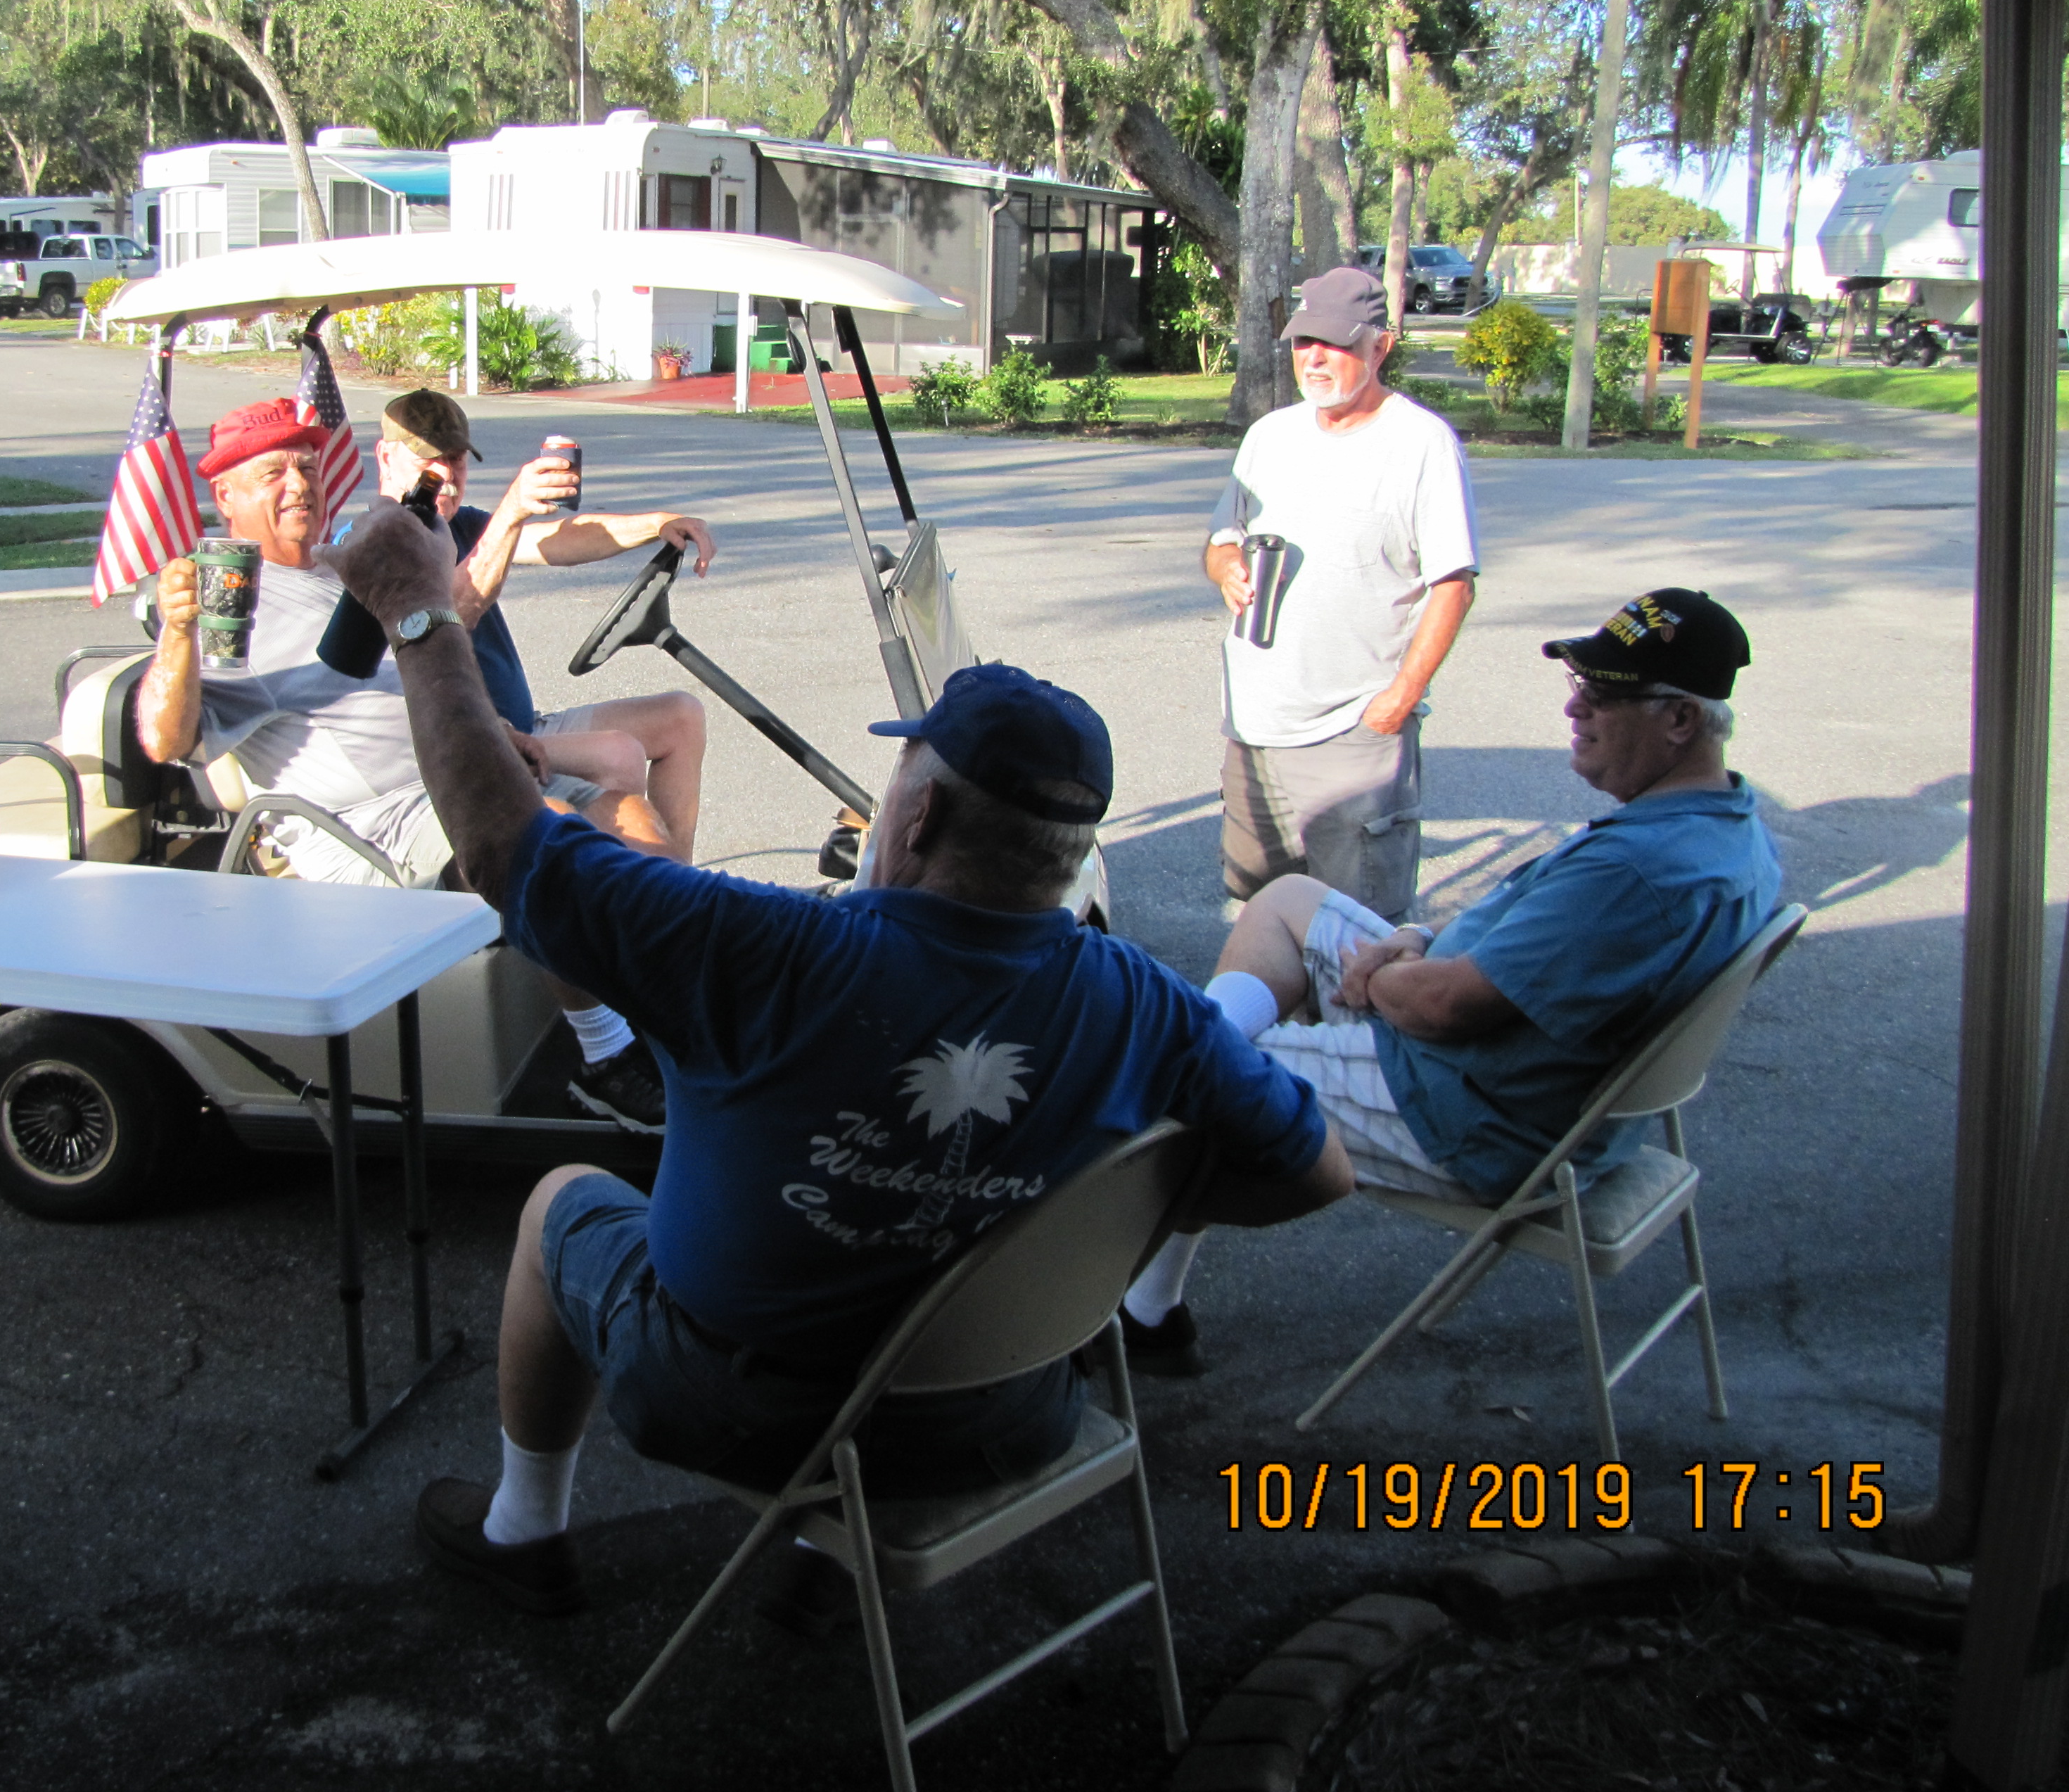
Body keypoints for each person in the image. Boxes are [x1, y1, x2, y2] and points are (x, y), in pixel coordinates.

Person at [318, 495, 1354, 1617]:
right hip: (1003, 1415)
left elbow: (501, 847)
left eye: (902, 772)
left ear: (914, 823)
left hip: (737, 1404)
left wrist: (421, 614)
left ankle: (522, 1533)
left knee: (564, 1200)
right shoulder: (1152, 1011)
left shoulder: (763, 953)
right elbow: (1315, 1174)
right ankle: (827, 1554)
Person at [1119, 587, 1779, 1375]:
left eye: (1602, 696)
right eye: (1580, 688)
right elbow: (1519, 951)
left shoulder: (1637, 872)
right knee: (1284, 901)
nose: (1575, 710)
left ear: (1679, 722)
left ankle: (1140, 1308)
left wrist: (1388, 980)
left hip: (1468, 1111)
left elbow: (1442, 1009)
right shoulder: (1725, 831)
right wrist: (1416, 938)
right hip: (1523, 1074)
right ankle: (1162, 1258)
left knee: (1181, 1082)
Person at [134, 400, 671, 1129]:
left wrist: (487, 732)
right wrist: (176, 632)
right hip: (359, 829)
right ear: (224, 495)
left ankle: (667, 1016)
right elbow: (167, 740)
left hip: (443, 779)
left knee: (632, 816)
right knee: (543, 834)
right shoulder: (227, 604)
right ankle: (606, 1059)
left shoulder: (343, 569)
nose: (298, 484)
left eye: (306, 467)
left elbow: (428, 661)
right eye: (271, 474)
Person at [1204, 264, 1479, 922]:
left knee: (1358, 934)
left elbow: (1454, 585)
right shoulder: (1269, 436)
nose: (1315, 358)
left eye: (1336, 344)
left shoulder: (1421, 444)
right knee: (1258, 914)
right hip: (1254, 726)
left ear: (1379, 346)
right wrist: (1223, 566)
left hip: (1354, 733)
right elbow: (1222, 535)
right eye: (1304, 343)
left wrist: (1398, 701)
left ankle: (1348, 1029)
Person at [374, 388, 713, 865]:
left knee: (681, 716)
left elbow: (559, 538)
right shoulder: (379, 542)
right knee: (617, 755)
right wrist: (512, 510)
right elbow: (450, 609)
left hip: (526, 724)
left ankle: (682, 886)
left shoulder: (462, 525)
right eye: (429, 460)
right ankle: (649, 900)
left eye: (455, 459)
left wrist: (658, 524)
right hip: (473, 744)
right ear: (386, 456)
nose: (446, 475)